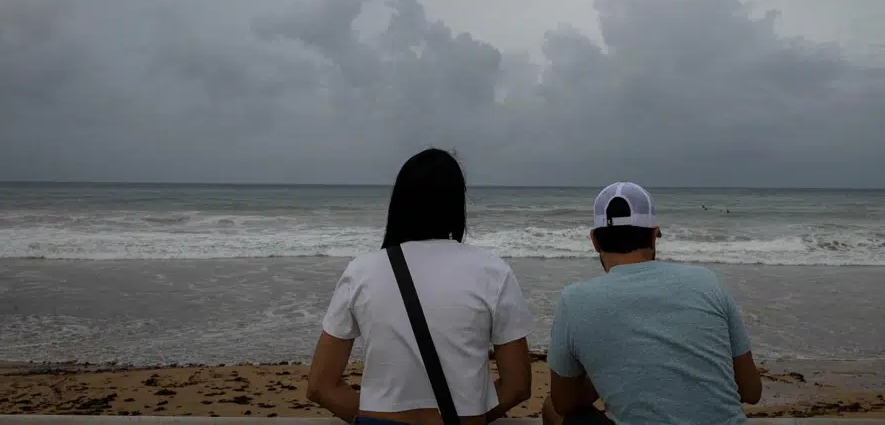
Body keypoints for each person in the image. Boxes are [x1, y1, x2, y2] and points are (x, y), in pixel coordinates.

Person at [308, 148, 533, 425]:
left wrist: (372, 418)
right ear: (456, 203)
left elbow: (321, 385)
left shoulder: (361, 271)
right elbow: (518, 386)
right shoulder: (493, 272)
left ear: (399, 203)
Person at [544, 182, 763, 425]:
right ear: (653, 235)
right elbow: (751, 391)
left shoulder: (574, 301)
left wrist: (608, 370)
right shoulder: (708, 281)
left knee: (552, 410)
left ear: (594, 240)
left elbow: (563, 402)